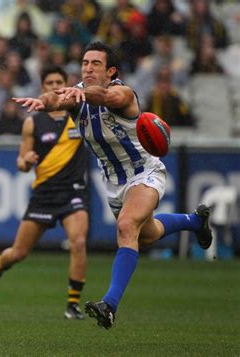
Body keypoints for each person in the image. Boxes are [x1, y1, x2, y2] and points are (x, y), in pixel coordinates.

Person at [13, 41, 213, 330]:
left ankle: (109, 305)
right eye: (84, 63)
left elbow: (104, 96)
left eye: (95, 63)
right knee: (146, 233)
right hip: (113, 183)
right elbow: (56, 100)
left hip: (145, 173)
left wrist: (80, 92)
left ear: (111, 71)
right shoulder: (75, 94)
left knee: (126, 227)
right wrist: (41, 102)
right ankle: (194, 221)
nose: (88, 68)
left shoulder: (123, 93)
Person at [0, 66, 90, 320]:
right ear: (42, 88)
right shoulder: (33, 121)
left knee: (79, 242)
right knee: (18, 253)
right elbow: (21, 164)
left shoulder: (80, 114)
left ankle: (72, 304)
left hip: (73, 191)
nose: (54, 86)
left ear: (67, 85)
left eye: (59, 81)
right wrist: (26, 160)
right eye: (49, 82)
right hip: (44, 194)